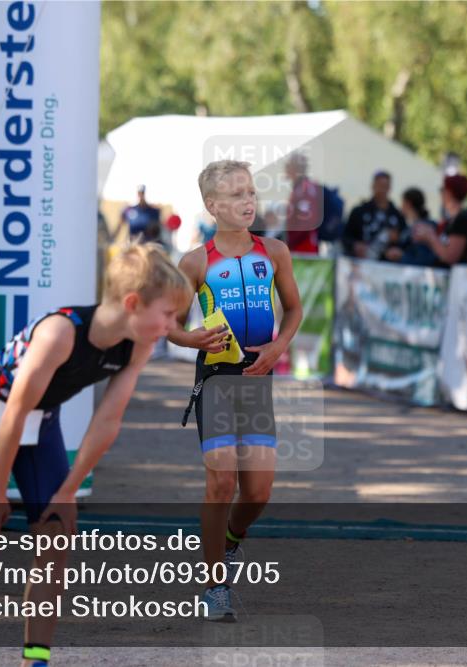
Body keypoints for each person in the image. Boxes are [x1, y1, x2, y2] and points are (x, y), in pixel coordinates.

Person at [0, 243, 194, 667]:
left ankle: (36, 658)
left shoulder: (137, 344)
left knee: (57, 532)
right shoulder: (60, 333)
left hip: (40, 424)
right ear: (133, 303)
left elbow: (106, 422)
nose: (173, 326)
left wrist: (68, 490)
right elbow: (13, 412)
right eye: (168, 315)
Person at [171, 159, 302, 621]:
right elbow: (168, 323)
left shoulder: (275, 252)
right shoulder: (195, 261)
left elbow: (293, 310)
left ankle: (228, 542)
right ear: (212, 206)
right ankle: (213, 587)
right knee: (221, 481)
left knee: (259, 492)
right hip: (216, 383)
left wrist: (277, 348)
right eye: (236, 195)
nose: (248, 201)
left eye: (250, 192)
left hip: (258, 380)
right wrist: (192, 339)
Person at [412, 174, 467, 267]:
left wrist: (430, 237)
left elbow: (450, 257)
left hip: (461, 278)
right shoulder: (452, 220)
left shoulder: (463, 219)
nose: (440, 193)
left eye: (442, 189)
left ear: (449, 192)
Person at [342, 170, 406, 259]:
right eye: (379, 186)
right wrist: (355, 245)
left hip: (388, 266)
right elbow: (345, 236)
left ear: (389, 188)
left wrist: (397, 246)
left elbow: (405, 241)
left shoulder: (397, 215)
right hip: (361, 263)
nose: (382, 190)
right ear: (373, 186)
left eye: (385, 186)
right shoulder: (359, 211)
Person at [384, 187, 436, 266]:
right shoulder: (411, 226)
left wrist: (401, 256)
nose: (401, 207)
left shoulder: (422, 228)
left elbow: (422, 260)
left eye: (402, 202)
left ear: (408, 203)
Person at [283, 152, 321, 254]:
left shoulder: (305, 189)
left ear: (296, 168)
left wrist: (290, 243)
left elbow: (306, 223)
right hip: (299, 247)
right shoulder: (298, 188)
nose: (285, 169)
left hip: (304, 249)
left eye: (288, 166)